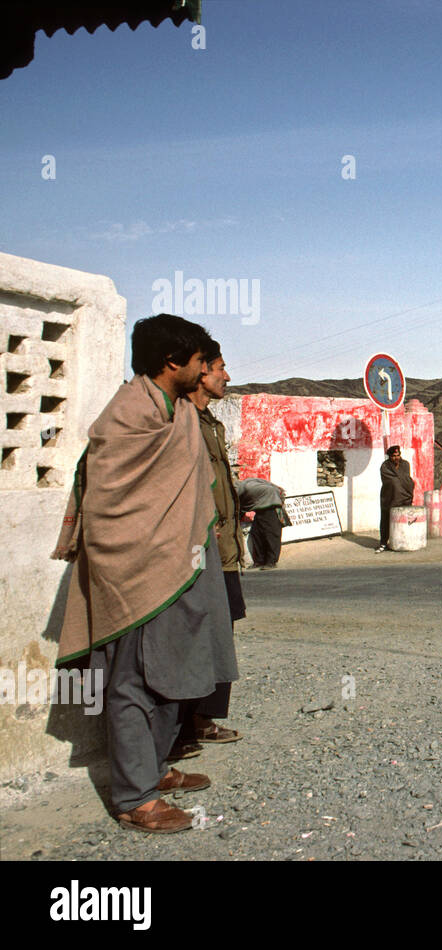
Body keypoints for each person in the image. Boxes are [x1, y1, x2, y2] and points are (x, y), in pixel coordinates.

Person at [52, 314, 236, 833]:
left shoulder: (176, 409)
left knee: (172, 677)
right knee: (133, 683)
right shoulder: (126, 416)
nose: (205, 371)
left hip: (178, 566)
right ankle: (134, 797)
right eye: (201, 362)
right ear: (173, 361)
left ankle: (155, 770)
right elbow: (110, 506)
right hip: (134, 577)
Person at [171, 341, 246, 758]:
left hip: (225, 551)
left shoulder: (210, 422)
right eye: (219, 367)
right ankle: (179, 729)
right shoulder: (182, 420)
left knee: (223, 629)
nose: (226, 375)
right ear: (201, 372)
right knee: (193, 634)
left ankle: (203, 720)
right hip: (197, 550)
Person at [238, 476, 287, 567]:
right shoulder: (248, 482)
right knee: (256, 533)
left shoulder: (242, 488)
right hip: (262, 508)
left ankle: (271, 561)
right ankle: (260, 560)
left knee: (270, 535)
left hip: (271, 507)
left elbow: (238, 506)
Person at [376, 444, 414, 552]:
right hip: (389, 497)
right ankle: (383, 542)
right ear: (389, 456)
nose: (396, 458)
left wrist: (407, 487)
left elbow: (407, 480)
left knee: (404, 520)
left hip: (405, 497)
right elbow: (390, 481)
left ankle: (403, 541)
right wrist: (400, 483)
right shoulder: (385, 466)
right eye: (393, 456)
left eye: (397, 455)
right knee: (386, 520)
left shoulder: (405, 464)